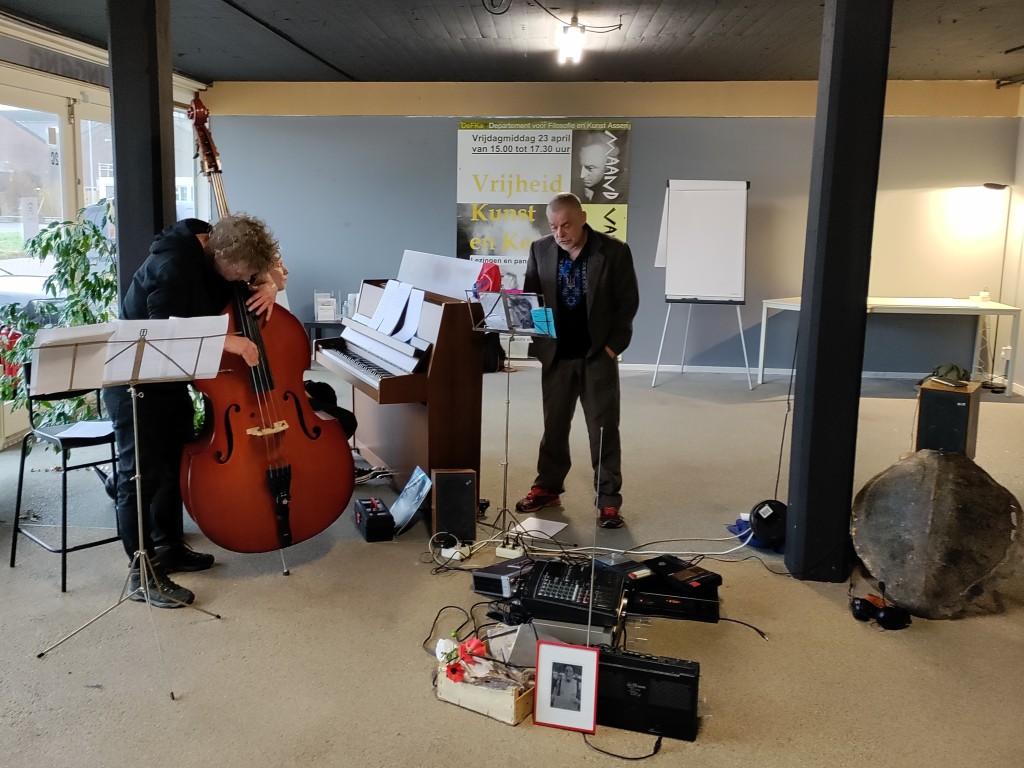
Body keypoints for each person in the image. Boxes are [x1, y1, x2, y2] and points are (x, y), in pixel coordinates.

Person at [103, 214, 280, 608]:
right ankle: (142, 574)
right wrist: (228, 342)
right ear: (220, 255)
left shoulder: (219, 241)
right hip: (135, 380)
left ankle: (170, 547)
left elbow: (271, 272)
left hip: (172, 380)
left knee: (172, 469)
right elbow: (160, 336)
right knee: (140, 478)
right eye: (242, 273)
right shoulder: (172, 266)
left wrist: (270, 284)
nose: (245, 280)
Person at [516, 193, 639, 529]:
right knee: (554, 425)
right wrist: (541, 343)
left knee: (603, 429)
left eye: (566, 225)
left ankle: (608, 501)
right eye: (554, 226)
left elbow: (627, 303)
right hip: (556, 356)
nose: (560, 233)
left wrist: (612, 348)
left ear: (583, 218)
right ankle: (548, 487)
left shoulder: (614, 252)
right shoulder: (539, 250)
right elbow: (533, 299)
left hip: (597, 354)